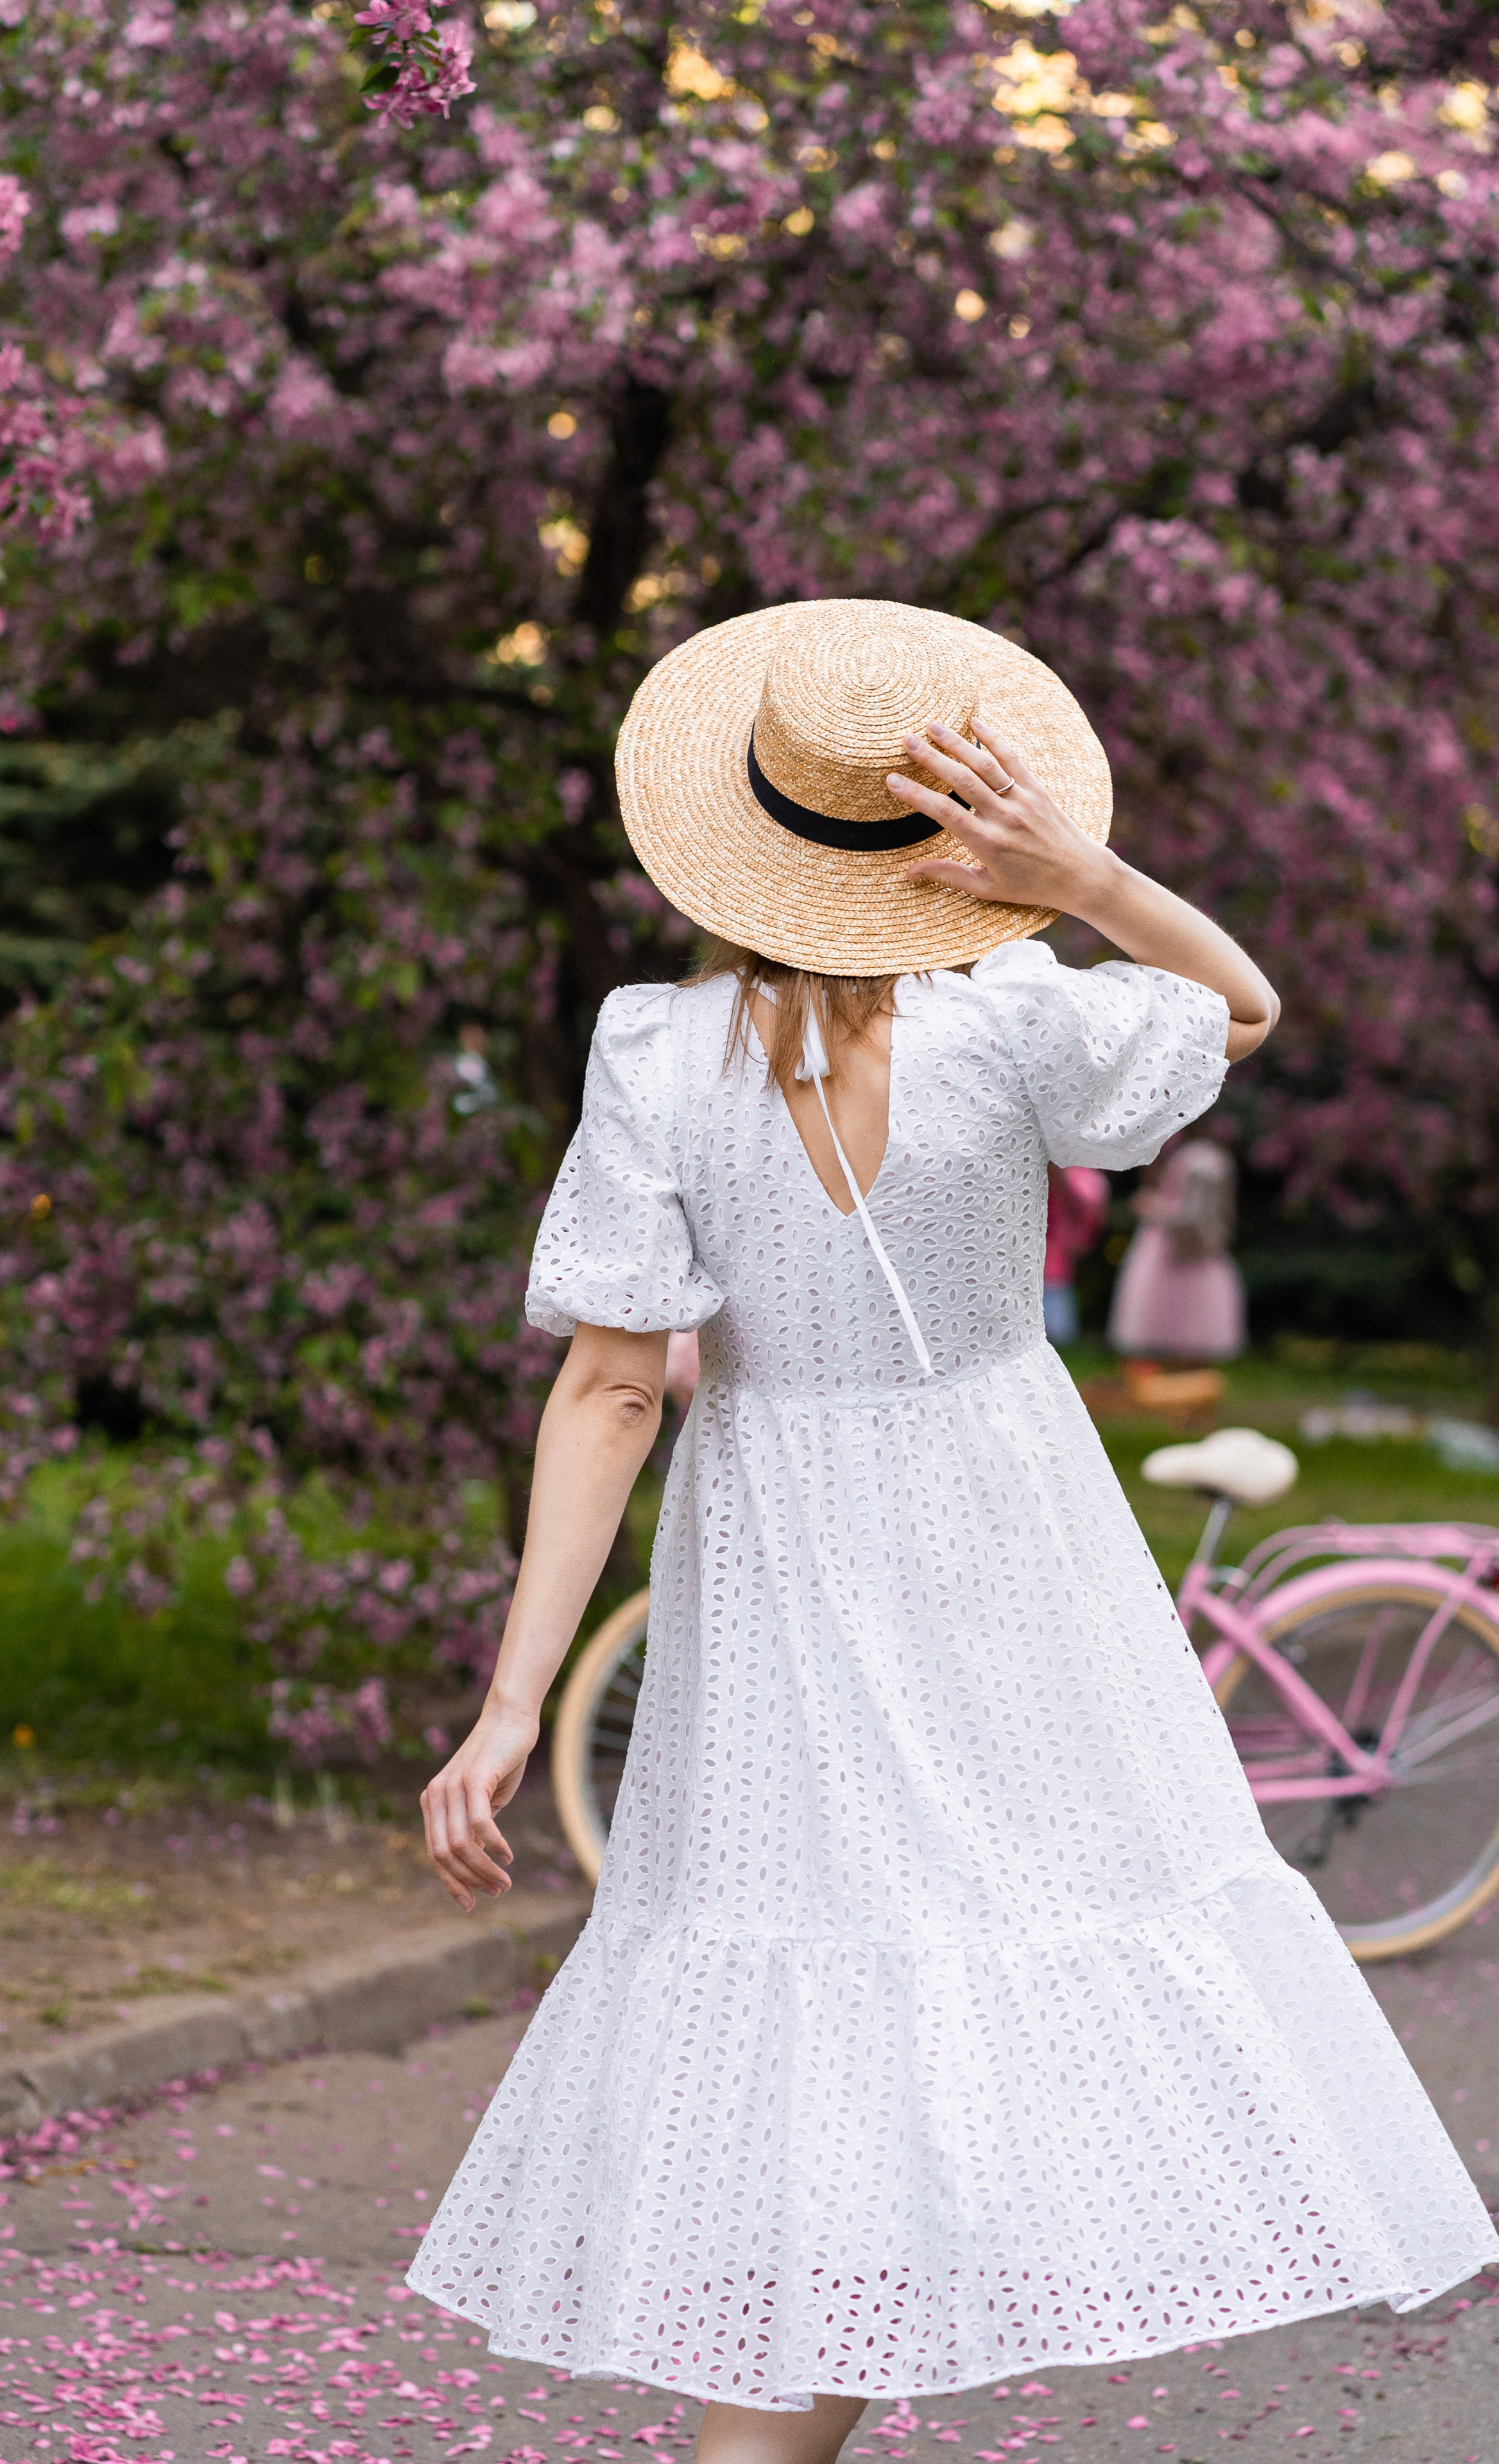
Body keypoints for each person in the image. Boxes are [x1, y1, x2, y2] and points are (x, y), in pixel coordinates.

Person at [409, 602, 1496, 2456]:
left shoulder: (655, 1054)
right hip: (1011, 1551)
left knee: (821, 1992)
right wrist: (1088, 875)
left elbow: (609, 1389)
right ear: (931, 852)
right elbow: (1241, 1005)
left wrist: (514, 1702)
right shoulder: (1013, 1020)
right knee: (965, 1964)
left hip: (782, 1557)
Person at [1108, 1133, 1246, 1363]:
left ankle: (1183, 1378)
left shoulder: (1202, 1161)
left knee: (1187, 1322)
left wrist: (1153, 1209)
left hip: (1184, 1251)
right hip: (1167, 1248)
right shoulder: (1187, 1155)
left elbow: (1197, 1215)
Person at [1042, 1160, 1108, 1345]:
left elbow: (1087, 1218)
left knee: (1058, 1332)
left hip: (1056, 1260)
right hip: (1045, 1254)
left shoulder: (1086, 1179)